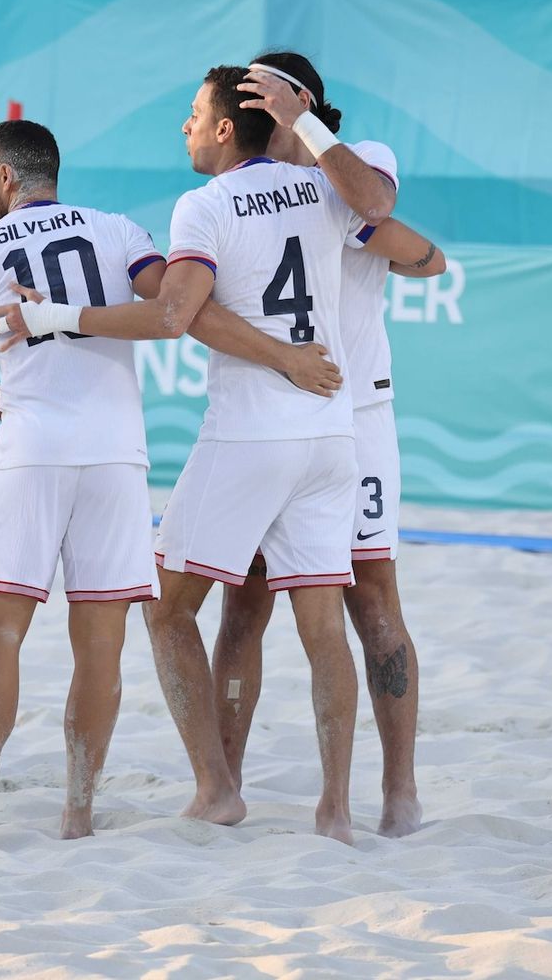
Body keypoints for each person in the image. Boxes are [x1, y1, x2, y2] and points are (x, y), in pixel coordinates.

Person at [0, 118, 345, 843]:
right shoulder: (121, 231)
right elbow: (182, 312)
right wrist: (282, 355)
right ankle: (78, 815)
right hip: (116, 457)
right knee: (100, 644)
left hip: (32, 449)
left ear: (6, 178)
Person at [0, 66, 398, 843]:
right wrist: (305, 123)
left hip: (251, 434)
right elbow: (383, 209)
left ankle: (216, 788)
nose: (183, 126)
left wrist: (55, 320)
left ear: (221, 130)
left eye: (192, 114)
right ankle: (336, 811)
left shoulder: (204, 205)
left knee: (167, 608)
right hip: (331, 430)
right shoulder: (321, 185)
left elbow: (174, 315)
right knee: (322, 629)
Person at [210, 52, 445, 838]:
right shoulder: (237, 189)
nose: (256, 104)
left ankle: (399, 793)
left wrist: (300, 118)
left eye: (264, 92)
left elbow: (392, 222)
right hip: (271, 413)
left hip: (356, 412)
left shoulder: (356, 160)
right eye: (251, 96)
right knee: (243, 604)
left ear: (297, 96)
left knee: (371, 597)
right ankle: (226, 784)